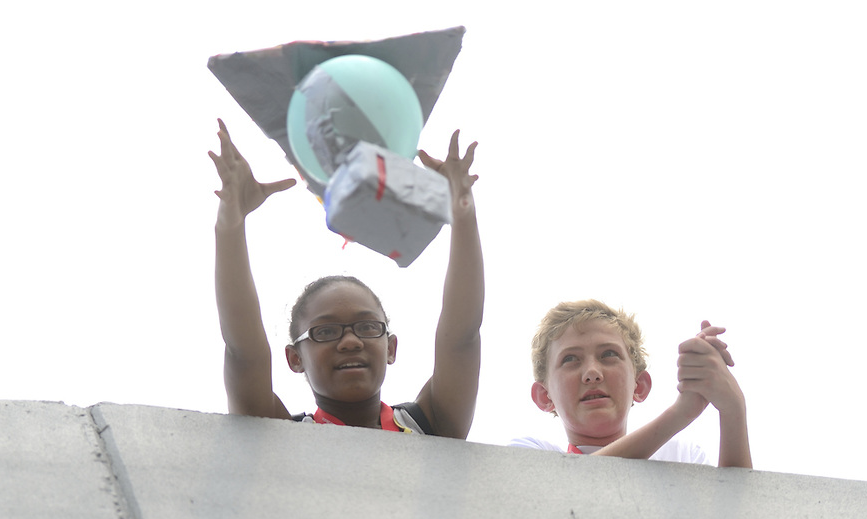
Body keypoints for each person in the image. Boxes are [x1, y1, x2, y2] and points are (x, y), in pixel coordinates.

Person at [208, 118, 483, 438]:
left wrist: (462, 214)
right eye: (325, 331)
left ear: (391, 347)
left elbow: (462, 337)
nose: (351, 342)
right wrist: (230, 223)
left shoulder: (429, 424)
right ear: (295, 358)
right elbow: (243, 353)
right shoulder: (282, 437)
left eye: (368, 327)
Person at [511, 299, 751, 467]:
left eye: (609, 355)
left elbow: (739, 509)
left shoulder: (681, 457)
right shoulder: (529, 455)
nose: (592, 373)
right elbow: (570, 489)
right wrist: (680, 414)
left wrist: (733, 410)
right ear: (544, 396)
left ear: (640, 385)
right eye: (570, 359)